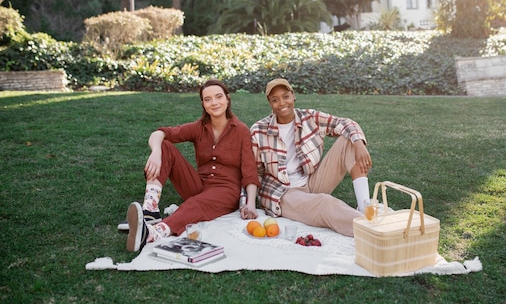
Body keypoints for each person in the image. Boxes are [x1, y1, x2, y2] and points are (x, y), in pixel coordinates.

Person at [124, 79, 260, 252]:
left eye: (218, 97)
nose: (214, 103)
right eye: (208, 99)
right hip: (199, 184)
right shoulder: (199, 127)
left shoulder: (241, 130)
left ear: (227, 98)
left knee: (194, 204)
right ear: (203, 104)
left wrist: (251, 204)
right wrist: (156, 151)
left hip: (225, 191)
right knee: (165, 145)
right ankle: (150, 209)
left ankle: (152, 233)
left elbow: (250, 171)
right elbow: (160, 133)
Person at [250, 78, 372, 237]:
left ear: (293, 96)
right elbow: (253, 172)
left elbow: (345, 123)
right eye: (275, 100)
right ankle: (370, 231)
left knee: (349, 139)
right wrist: (249, 204)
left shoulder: (309, 117)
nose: (282, 103)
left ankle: (365, 208)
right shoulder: (259, 130)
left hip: (310, 182)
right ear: (270, 103)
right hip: (283, 193)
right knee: (325, 203)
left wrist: (358, 143)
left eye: (285, 96)